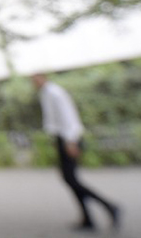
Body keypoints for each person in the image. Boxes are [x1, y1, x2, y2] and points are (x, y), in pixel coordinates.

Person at [30, 73, 120, 231]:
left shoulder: (55, 92)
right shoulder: (45, 93)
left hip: (70, 139)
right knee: (70, 179)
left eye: (35, 78)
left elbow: (68, 117)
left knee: (71, 179)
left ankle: (109, 206)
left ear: (43, 77)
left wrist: (70, 141)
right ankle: (88, 218)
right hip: (63, 138)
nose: (33, 82)